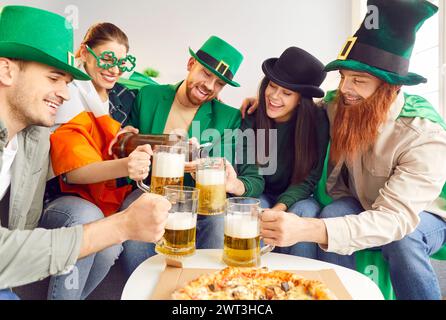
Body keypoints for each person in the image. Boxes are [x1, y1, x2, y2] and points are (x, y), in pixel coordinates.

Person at [254, 0, 446, 300]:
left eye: (358, 80)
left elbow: (395, 219)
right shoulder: (342, 105)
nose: (345, 88)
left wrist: (306, 229)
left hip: (418, 215)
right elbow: (305, 105)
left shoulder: (424, 135)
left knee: (403, 240)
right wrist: (260, 106)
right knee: (332, 212)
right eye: (343, 76)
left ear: (390, 89)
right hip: (361, 202)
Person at [0, 5, 170, 300]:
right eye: (54, 78)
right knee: (91, 220)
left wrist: (125, 141)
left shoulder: (32, 134)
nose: (65, 93)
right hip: (61, 203)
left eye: (66, 83)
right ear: (6, 70)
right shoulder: (55, 117)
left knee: (106, 243)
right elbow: (75, 169)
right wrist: (121, 224)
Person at [119, 35, 264, 276]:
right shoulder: (148, 96)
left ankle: (204, 290)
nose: (210, 86)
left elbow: (221, 169)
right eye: (206, 74)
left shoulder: (227, 117)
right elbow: (128, 144)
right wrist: (126, 138)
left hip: (198, 198)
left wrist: (206, 167)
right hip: (151, 190)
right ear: (190, 64)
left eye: (218, 83)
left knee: (218, 222)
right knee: (136, 214)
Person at [236, 47, 329, 258]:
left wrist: (280, 208)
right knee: (252, 211)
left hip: (298, 196)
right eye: (272, 86)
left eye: (287, 93)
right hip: (259, 191)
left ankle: (301, 281)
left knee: (303, 213)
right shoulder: (251, 116)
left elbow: (308, 179)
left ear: (301, 100)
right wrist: (269, 212)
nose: (274, 97)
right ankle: (249, 279)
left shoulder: (318, 122)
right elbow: (251, 173)